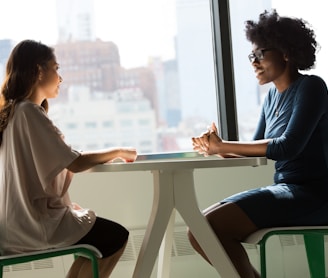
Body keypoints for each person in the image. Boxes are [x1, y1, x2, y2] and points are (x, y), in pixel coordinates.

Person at [188, 9, 328, 278]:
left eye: (260, 54)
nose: (254, 62)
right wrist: (215, 148)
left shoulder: (311, 88)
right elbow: (255, 154)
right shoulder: (271, 99)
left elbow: (288, 147)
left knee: (206, 228)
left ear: (285, 52)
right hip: (287, 190)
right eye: (251, 56)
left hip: (315, 195)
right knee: (199, 230)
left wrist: (224, 145)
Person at [0, 40, 138, 278]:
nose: (60, 78)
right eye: (56, 68)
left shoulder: (11, 113)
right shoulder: (29, 112)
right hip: (33, 225)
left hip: (12, 225)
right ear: (39, 70)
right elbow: (74, 161)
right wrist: (118, 151)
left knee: (96, 244)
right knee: (115, 237)